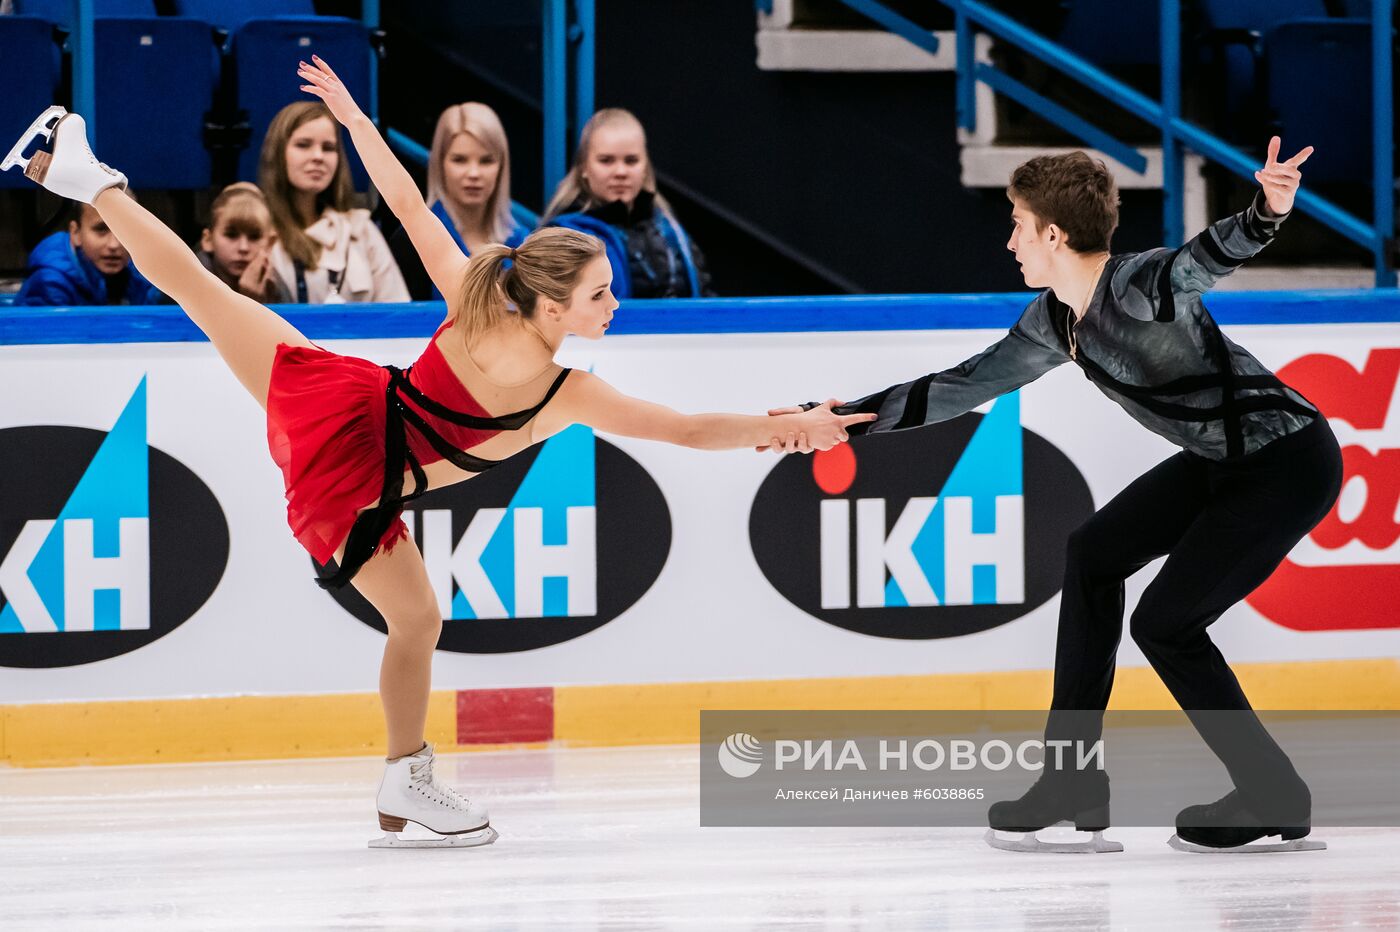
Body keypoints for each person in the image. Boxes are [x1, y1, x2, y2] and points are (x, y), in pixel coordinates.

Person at [3, 67, 868, 848]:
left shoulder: (488, 309)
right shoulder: (559, 387)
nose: (614, 307)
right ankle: (406, 779)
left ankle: (90, 177)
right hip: (356, 478)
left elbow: (413, 210)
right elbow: (682, 429)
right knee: (418, 621)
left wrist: (355, 119)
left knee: (203, 293)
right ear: (553, 304)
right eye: (599, 295)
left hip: (336, 401)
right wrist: (791, 428)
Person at [771, 143, 1338, 853]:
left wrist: (1270, 208)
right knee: (1093, 553)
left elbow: (1210, 254)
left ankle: (1271, 790)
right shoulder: (1054, 321)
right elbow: (962, 385)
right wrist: (836, 421)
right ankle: (1071, 779)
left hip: (1287, 462)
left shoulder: (1142, 284)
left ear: (1052, 234)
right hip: (1220, 462)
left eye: (1017, 223)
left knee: (1166, 624)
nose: (1009, 239)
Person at [542, 108, 713, 299]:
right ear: (584, 168)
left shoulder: (671, 227)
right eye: (606, 160)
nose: (621, 172)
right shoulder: (563, 236)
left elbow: (706, 298)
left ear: (645, 168)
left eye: (631, 161)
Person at [258, 101, 409, 304]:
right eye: (303, 145)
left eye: (328, 147)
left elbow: (398, 312)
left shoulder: (361, 229)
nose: (318, 156)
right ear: (277, 152)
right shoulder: (253, 230)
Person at [388, 102, 529, 301]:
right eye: (459, 160)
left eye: (486, 161)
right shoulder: (411, 239)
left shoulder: (524, 243)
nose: (474, 173)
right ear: (440, 164)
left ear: (501, 167)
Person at [14, 198, 161, 306]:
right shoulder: (50, 283)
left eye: (123, 231)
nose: (114, 245)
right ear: (75, 232)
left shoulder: (145, 273)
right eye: (101, 230)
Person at [199, 182, 281, 302]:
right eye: (231, 235)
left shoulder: (274, 282)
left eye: (254, 237)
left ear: (270, 243)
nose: (243, 248)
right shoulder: (187, 280)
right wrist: (250, 302)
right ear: (208, 240)